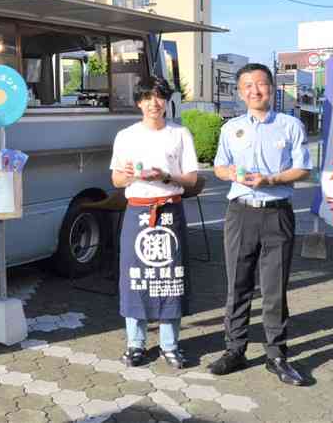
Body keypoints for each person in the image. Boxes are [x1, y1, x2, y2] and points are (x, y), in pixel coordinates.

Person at [208, 63, 311, 386]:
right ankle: (235, 350)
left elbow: (303, 169)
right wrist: (232, 173)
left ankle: (277, 355)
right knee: (237, 285)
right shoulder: (231, 128)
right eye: (248, 85)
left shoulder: (290, 125)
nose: (255, 90)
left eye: (261, 84)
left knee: (274, 288)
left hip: (277, 214)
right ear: (240, 92)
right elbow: (219, 166)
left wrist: (271, 179)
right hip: (240, 213)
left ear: (271, 88)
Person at [110, 75, 198, 368]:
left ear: (167, 100)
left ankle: (170, 345)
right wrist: (132, 175)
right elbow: (117, 179)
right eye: (147, 97)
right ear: (138, 102)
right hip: (138, 211)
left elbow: (192, 179)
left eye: (159, 96)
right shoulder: (125, 135)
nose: (154, 103)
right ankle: (135, 343)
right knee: (135, 278)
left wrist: (165, 176)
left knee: (170, 279)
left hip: (170, 211)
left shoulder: (180, 133)